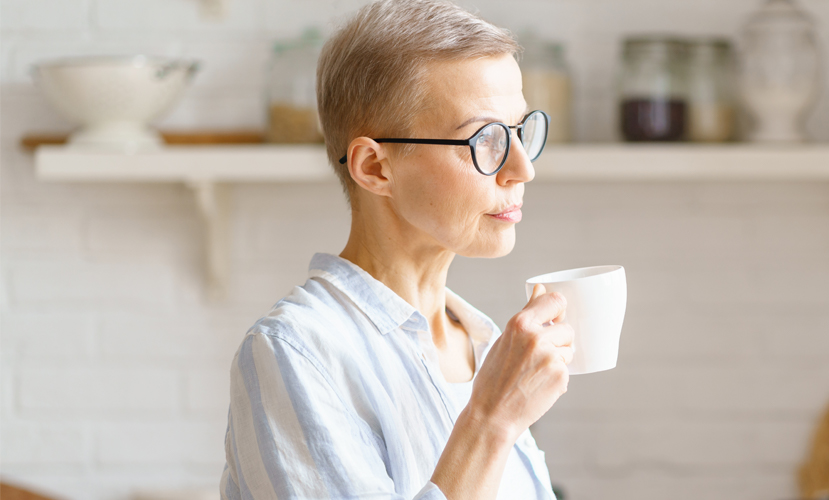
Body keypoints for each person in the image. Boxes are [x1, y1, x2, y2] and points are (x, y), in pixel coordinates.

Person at [218, 1, 573, 499]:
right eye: (485, 138)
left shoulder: (485, 345)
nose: (522, 168)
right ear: (375, 168)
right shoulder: (295, 353)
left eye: (519, 131)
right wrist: (491, 421)